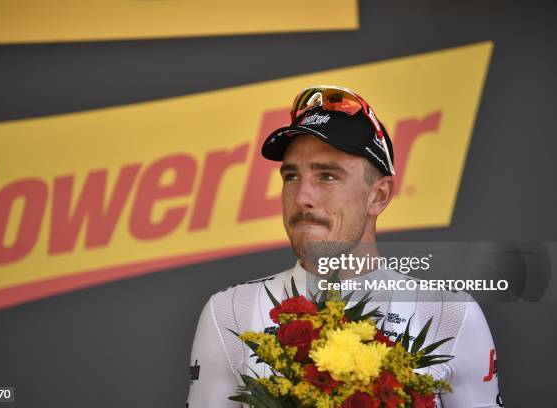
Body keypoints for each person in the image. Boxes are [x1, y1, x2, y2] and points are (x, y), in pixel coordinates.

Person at [186, 86, 502, 407]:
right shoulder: (229, 312)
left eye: (328, 176)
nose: (302, 198)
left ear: (378, 196)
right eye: (291, 176)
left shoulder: (451, 316)